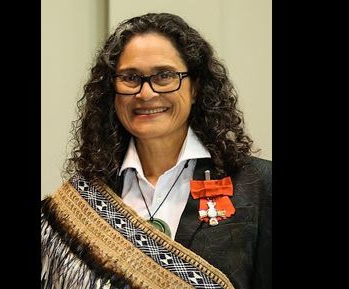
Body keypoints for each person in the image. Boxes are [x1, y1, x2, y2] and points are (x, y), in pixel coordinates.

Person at [41, 12, 271, 289]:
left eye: (164, 76)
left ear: (195, 87)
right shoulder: (80, 202)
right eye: (130, 78)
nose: (146, 93)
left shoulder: (259, 185)